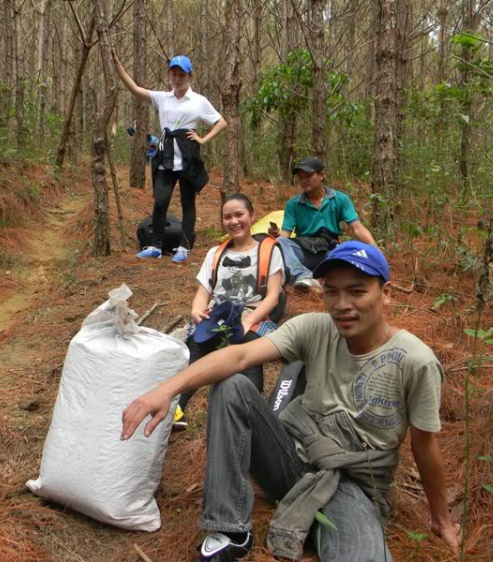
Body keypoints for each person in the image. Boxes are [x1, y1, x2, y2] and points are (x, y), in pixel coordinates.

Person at [122, 241, 460, 562]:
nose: (342, 304)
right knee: (232, 386)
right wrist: (168, 389)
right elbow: (239, 356)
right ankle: (231, 529)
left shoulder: (415, 360)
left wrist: (441, 518)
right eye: (332, 291)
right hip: (292, 459)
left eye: (357, 291)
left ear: (385, 294)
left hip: (352, 480)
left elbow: (424, 445)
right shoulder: (315, 328)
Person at [173, 194, 285, 430]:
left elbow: (273, 295)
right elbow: (204, 292)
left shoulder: (269, 251)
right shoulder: (215, 253)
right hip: (218, 312)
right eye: (227, 217)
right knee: (197, 344)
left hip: (251, 312)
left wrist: (250, 321)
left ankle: (251, 412)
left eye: (239, 215)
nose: (234, 221)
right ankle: (177, 408)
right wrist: (197, 311)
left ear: (251, 216)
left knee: (248, 347)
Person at [113, 50, 227, 263]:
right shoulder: (162, 98)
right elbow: (135, 89)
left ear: (190, 76)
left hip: (187, 156)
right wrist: (118, 64)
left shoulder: (199, 101)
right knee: (160, 201)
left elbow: (221, 122)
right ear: (169, 76)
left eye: (181, 75)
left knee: (187, 203)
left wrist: (203, 139)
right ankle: (155, 246)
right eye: (173, 74)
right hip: (165, 156)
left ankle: (184, 247)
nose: (177, 79)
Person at [271, 156, 376, 292]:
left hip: (330, 250)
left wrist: (375, 248)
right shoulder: (293, 204)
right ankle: (304, 277)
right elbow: (285, 235)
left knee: (353, 251)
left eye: (308, 176)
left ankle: (323, 276)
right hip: (304, 250)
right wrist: (276, 238)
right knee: (279, 242)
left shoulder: (340, 199)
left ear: (321, 175)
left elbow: (357, 227)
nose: (304, 180)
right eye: (301, 177)